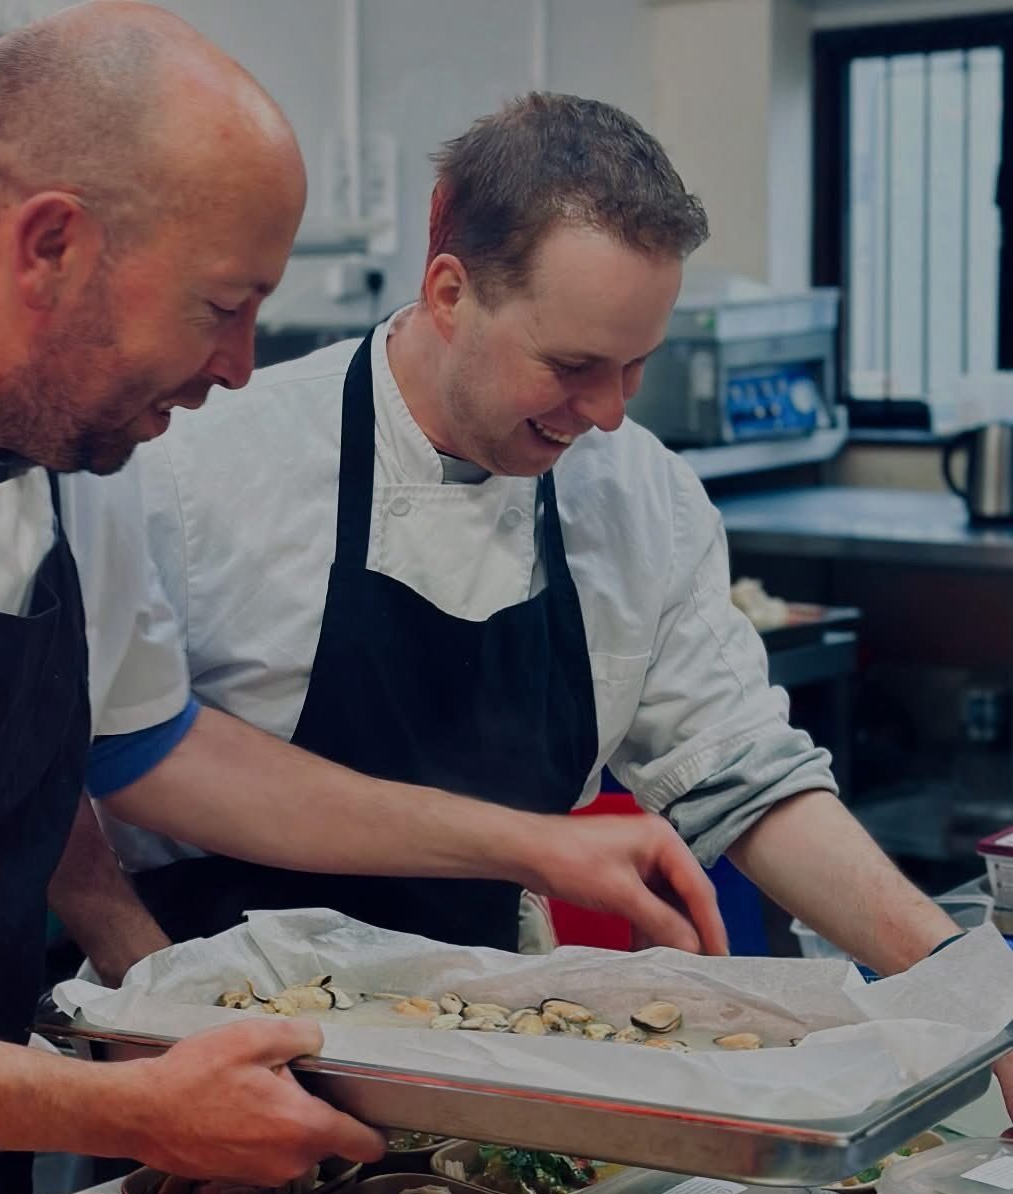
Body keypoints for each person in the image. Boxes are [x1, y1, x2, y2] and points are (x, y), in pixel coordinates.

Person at [0, 11, 729, 1192]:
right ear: (52, 247)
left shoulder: (79, 433)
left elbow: (157, 753)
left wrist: (531, 847)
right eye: (220, 307)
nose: (239, 366)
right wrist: (130, 1110)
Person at [81, 91, 1010, 1105]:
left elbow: (742, 775)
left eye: (636, 367)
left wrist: (968, 996)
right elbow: (73, 766)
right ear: (449, 290)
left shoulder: (639, 494)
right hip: (213, 1051)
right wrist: (149, 1001)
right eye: (571, 366)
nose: (608, 414)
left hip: (491, 1053)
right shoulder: (195, 468)